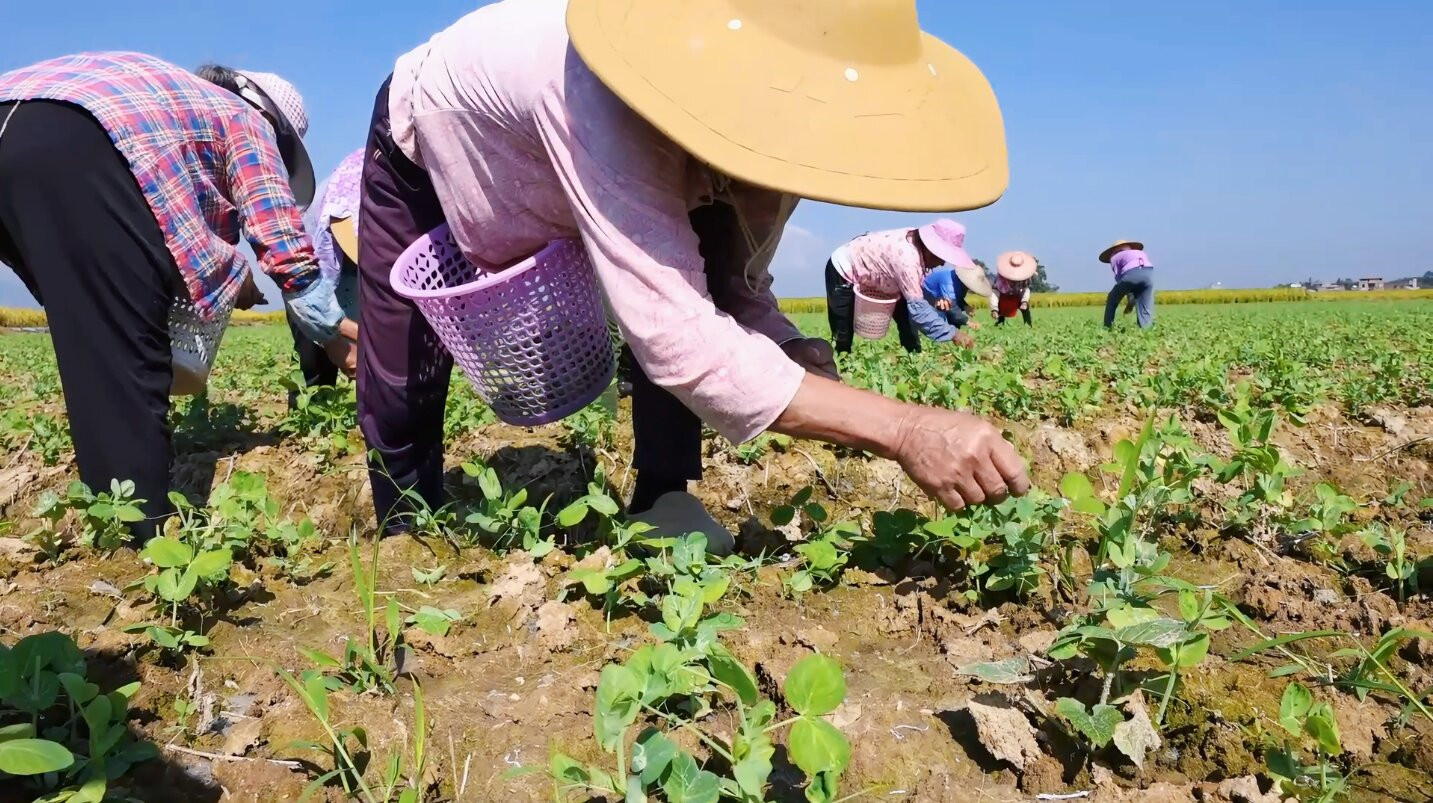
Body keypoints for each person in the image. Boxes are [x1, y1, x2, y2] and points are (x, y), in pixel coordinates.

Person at [356, 0, 1028, 544]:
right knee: (402, 352)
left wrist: (788, 347)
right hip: (432, 129)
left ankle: (663, 496)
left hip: (558, 145)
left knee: (683, 292)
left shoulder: (781, 138)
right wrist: (904, 426)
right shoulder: (604, 97)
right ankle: (405, 517)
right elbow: (677, 338)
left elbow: (731, 288)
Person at [0, 52, 356, 541]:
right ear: (268, 119)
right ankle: (139, 537)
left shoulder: (163, 104)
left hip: (17, 117)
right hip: (74, 141)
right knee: (123, 357)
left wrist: (235, 279)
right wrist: (331, 328)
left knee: (91, 328)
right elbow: (276, 227)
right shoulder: (242, 117)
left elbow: (170, 235)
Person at [825, 219, 977, 353]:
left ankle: (914, 357)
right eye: (942, 257)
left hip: (883, 275)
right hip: (844, 267)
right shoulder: (907, 258)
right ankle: (840, 363)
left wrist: (934, 302)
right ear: (931, 249)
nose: (943, 263)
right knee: (842, 328)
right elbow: (919, 311)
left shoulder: (917, 247)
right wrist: (953, 334)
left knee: (907, 320)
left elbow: (916, 295)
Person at [290, 148, 365, 404]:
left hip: (354, 283)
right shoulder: (337, 199)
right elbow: (301, 293)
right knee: (315, 371)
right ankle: (309, 420)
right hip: (310, 286)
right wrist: (337, 340)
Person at [923, 258, 993, 332]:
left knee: (954, 324)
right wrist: (968, 322)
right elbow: (951, 306)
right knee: (943, 323)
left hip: (941, 300)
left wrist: (966, 306)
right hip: (927, 300)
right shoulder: (949, 281)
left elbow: (957, 299)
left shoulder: (962, 283)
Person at [1100, 240, 1155, 328]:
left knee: (1112, 298)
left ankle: (1107, 326)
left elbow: (1120, 279)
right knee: (1144, 303)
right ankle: (1146, 329)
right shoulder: (1139, 252)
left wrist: (1130, 297)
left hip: (1131, 274)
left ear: (1114, 251)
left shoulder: (1115, 257)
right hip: (1148, 274)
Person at [990, 251, 1036, 326]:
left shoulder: (1025, 274)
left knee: (1026, 291)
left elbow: (1032, 277)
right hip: (1005, 295)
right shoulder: (1003, 273)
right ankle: (995, 311)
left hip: (1016, 295)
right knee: (994, 294)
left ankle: (1024, 304)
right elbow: (997, 286)